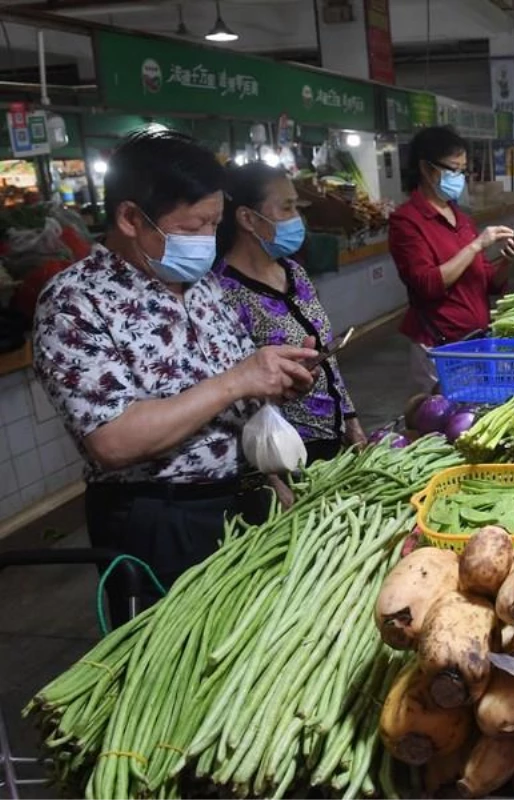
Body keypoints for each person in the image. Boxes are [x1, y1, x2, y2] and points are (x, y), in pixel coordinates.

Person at [33, 129, 316, 621]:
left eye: (214, 224)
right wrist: (237, 381)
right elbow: (112, 441)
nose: (207, 241)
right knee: (178, 665)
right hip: (160, 520)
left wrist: (274, 391)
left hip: (242, 500)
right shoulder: (75, 303)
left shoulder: (202, 287)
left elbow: (235, 398)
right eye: (194, 226)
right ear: (129, 218)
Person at [215, 162, 365, 464]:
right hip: (283, 450)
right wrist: (271, 474)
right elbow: (232, 396)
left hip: (331, 437)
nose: (297, 218)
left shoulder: (294, 272)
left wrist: (351, 420)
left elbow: (326, 355)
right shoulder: (222, 292)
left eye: (297, 206)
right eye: (286, 208)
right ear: (247, 218)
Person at [388, 126, 514, 393]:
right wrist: (476, 245)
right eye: (453, 169)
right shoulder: (407, 221)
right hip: (440, 346)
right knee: (447, 419)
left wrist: (508, 260)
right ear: (427, 169)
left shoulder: (460, 217)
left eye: (463, 170)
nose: (460, 178)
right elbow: (427, 284)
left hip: (477, 340)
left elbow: (488, 282)